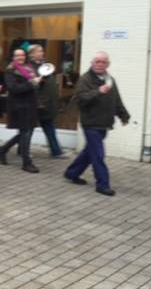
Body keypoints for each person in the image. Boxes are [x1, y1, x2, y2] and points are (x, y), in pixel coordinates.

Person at [65, 52, 129, 196]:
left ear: (108, 64)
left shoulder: (110, 80)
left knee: (89, 152)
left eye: (103, 62)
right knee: (98, 154)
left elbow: (116, 100)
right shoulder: (85, 79)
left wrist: (124, 116)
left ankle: (71, 173)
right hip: (91, 123)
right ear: (92, 63)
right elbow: (81, 99)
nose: (100, 64)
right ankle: (102, 184)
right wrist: (98, 91)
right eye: (97, 62)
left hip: (104, 123)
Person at [0, 48, 40, 173]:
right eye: (18, 55)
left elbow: (33, 84)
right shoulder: (11, 70)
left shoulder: (29, 68)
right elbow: (14, 88)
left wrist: (38, 82)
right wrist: (32, 84)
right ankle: (26, 163)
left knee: (25, 133)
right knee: (26, 133)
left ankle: (1, 151)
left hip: (30, 105)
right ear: (13, 57)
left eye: (22, 55)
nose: (20, 57)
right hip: (19, 106)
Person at [29, 44, 68, 159]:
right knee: (28, 129)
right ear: (32, 54)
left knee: (49, 128)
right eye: (39, 51)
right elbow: (32, 86)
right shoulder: (30, 68)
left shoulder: (44, 66)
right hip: (38, 104)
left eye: (42, 51)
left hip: (47, 104)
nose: (42, 53)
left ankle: (56, 151)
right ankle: (23, 150)